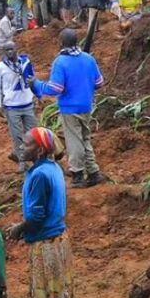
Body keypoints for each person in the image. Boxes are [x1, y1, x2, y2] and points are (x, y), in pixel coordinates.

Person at [7, 128, 80, 298]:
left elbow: (36, 216)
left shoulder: (39, 176)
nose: (20, 146)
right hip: (57, 240)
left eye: (26, 144)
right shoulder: (51, 168)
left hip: (46, 244)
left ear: (39, 150)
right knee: (50, 295)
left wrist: (18, 228)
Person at [34, 29, 105, 188]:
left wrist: (37, 85)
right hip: (86, 105)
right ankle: (93, 172)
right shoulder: (88, 58)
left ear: (61, 43)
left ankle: (78, 174)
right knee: (85, 137)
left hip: (70, 108)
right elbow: (99, 83)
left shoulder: (61, 62)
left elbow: (55, 88)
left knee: (74, 140)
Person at [0, 45, 39, 172]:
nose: (10, 52)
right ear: (3, 52)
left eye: (11, 49)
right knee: (17, 136)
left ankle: (34, 159)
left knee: (33, 134)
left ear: (16, 50)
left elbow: (32, 78)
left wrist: (36, 93)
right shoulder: (0, 67)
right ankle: (22, 162)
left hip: (27, 103)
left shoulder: (25, 63)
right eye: (7, 50)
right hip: (11, 106)